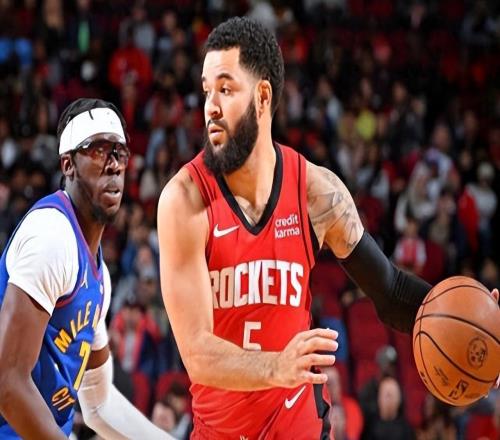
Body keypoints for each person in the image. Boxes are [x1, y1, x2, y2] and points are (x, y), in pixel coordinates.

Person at [157, 17, 499, 439]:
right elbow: (196, 352)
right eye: (207, 90)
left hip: (301, 424)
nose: (210, 105)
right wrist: (276, 366)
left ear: (262, 96)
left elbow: (390, 290)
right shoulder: (184, 200)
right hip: (220, 431)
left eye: (225, 89)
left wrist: (474, 319)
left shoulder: (316, 192)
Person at [0, 98, 172, 439]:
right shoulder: (52, 235)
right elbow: (8, 382)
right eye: (98, 151)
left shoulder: (99, 275)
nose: (113, 165)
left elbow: (99, 405)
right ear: (68, 165)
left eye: (119, 153)